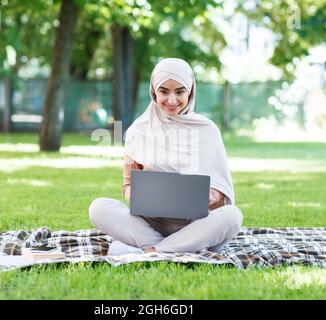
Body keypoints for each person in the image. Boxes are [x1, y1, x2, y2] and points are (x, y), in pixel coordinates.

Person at [89, 58, 242, 255]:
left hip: (195, 225)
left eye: (179, 92)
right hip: (151, 224)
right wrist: (141, 197)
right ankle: (175, 248)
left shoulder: (207, 130)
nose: (171, 100)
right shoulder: (138, 130)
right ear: (154, 91)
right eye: (164, 91)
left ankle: (148, 250)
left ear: (190, 92)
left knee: (232, 217)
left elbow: (221, 197)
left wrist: (206, 197)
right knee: (99, 208)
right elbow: (127, 185)